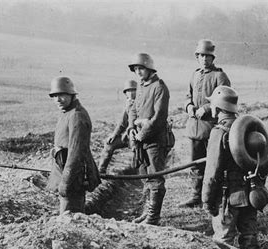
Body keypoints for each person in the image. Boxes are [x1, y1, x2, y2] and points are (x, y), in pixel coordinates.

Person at [202, 86, 268, 249]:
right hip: (251, 193)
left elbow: (212, 172)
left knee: (224, 243)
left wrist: (207, 200)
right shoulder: (247, 129)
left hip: (228, 199)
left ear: (217, 108)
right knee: (250, 239)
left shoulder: (219, 132)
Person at [179, 39, 231, 208]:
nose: (204, 59)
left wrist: (207, 108)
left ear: (212, 57)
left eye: (207, 56)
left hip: (212, 128)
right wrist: (189, 106)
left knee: (214, 163)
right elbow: (188, 94)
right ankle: (196, 196)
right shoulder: (195, 75)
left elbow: (225, 98)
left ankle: (212, 198)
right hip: (194, 127)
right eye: (201, 56)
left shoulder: (220, 76)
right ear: (197, 57)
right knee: (196, 163)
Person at [126, 53, 170, 225]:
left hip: (154, 140)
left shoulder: (159, 87)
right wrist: (131, 129)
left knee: (155, 176)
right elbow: (133, 110)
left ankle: (153, 217)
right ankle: (147, 211)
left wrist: (141, 134)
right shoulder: (141, 87)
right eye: (135, 69)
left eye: (141, 68)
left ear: (149, 68)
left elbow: (158, 118)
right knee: (144, 174)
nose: (138, 71)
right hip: (140, 139)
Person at [46, 76, 101, 213]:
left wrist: (66, 182)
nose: (57, 99)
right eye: (54, 96)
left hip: (73, 180)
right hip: (66, 174)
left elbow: (76, 154)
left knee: (70, 220)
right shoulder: (67, 113)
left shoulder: (76, 115)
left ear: (71, 94)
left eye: (61, 95)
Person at [98, 79, 138, 174]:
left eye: (133, 90)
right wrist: (114, 135)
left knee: (138, 157)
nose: (131, 93)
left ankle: (136, 173)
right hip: (129, 136)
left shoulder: (143, 103)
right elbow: (122, 123)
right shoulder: (128, 105)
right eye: (128, 91)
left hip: (140, 136)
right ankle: (101, 171)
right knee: (110, 144)